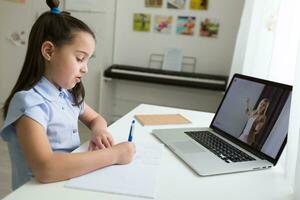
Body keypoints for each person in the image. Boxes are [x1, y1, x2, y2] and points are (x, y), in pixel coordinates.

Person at [0, 0, 135, 190]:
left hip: (68, 184)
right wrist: (115, 155)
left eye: (87, 60)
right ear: (49, 51)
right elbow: (46, 169)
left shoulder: (67, 94)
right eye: (79, 58)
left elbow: (96, 118)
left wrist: (99, 131)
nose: (85, 68)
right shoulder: (29, 103)